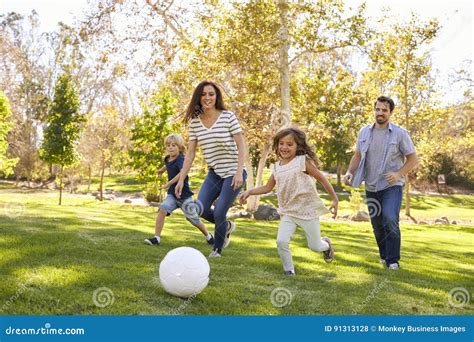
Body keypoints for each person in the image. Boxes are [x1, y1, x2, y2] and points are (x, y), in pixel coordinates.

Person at [239, 127, 338, 276]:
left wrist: (335, 199)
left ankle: (326, 245)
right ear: (277, 145)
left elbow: (322, 178)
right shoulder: (277, 167)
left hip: (307, 211)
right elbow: (267, 187)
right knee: (281, 241)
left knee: (315, 246)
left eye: (290, 144)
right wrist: (249, 191)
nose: (285, 147)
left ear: (298, 146)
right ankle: (289, 270)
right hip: (288, 212)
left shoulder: (302, 162)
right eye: (281, 143)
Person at [344, 96, 418, 270]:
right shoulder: (364, 132)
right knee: (377, 224)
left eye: (384, 110)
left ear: (390, 112)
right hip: (371, 185)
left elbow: (413, 158)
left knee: (390, 218)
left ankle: (393, 261)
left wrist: (399, 173)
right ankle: (384, 257)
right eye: (377, 109)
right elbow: (357, 155)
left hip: (392, 186)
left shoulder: (400, 133)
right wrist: (349, 172)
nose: (380, 113)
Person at [175, 81, 247, 258]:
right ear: (198, 98)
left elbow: (242, 146)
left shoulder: (228, 117)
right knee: (199, 209)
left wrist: (239, 172)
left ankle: (217, 249)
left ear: (217, 97)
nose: (207, 97)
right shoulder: (195, 123)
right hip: (215, 173)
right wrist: (181, 178)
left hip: (233, 172)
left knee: (220, 211)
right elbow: (190, 153)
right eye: (203, 94)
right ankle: (226, 226)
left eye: (211, 94)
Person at [144, 134, 214, 246]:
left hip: (184, 195)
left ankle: (209, 236)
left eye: (173, 145)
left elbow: (182, 172)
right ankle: (156, 238)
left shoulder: (181, 159)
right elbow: (168, 165)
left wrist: (169, 183)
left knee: (193, 219)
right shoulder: (167, 158)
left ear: (180, 147)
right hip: (172, 195)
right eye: (168, 145)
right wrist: (161, 170)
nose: (170, 147)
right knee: (162, 209)